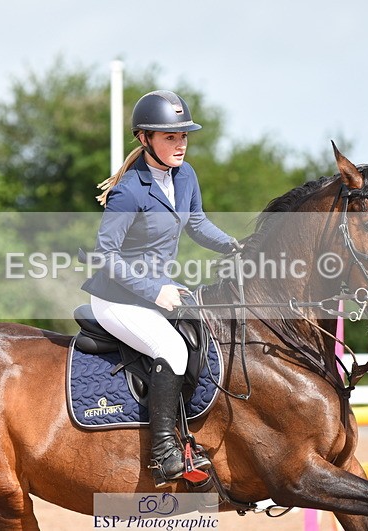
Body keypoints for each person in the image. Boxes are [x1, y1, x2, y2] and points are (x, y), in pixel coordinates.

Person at [82, 90, 239, 487]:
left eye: (184, 136)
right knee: (170, 349)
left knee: (207, 334)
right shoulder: (128, 191)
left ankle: (191, 432)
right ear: (144, 139)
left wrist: (236, 245)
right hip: (115, 297)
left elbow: (198, 224)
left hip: (158, 289)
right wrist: (154, 291)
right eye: (170, 137)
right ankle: (165, 453)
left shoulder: (185, 176)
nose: (180, 143)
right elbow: (106, 255)